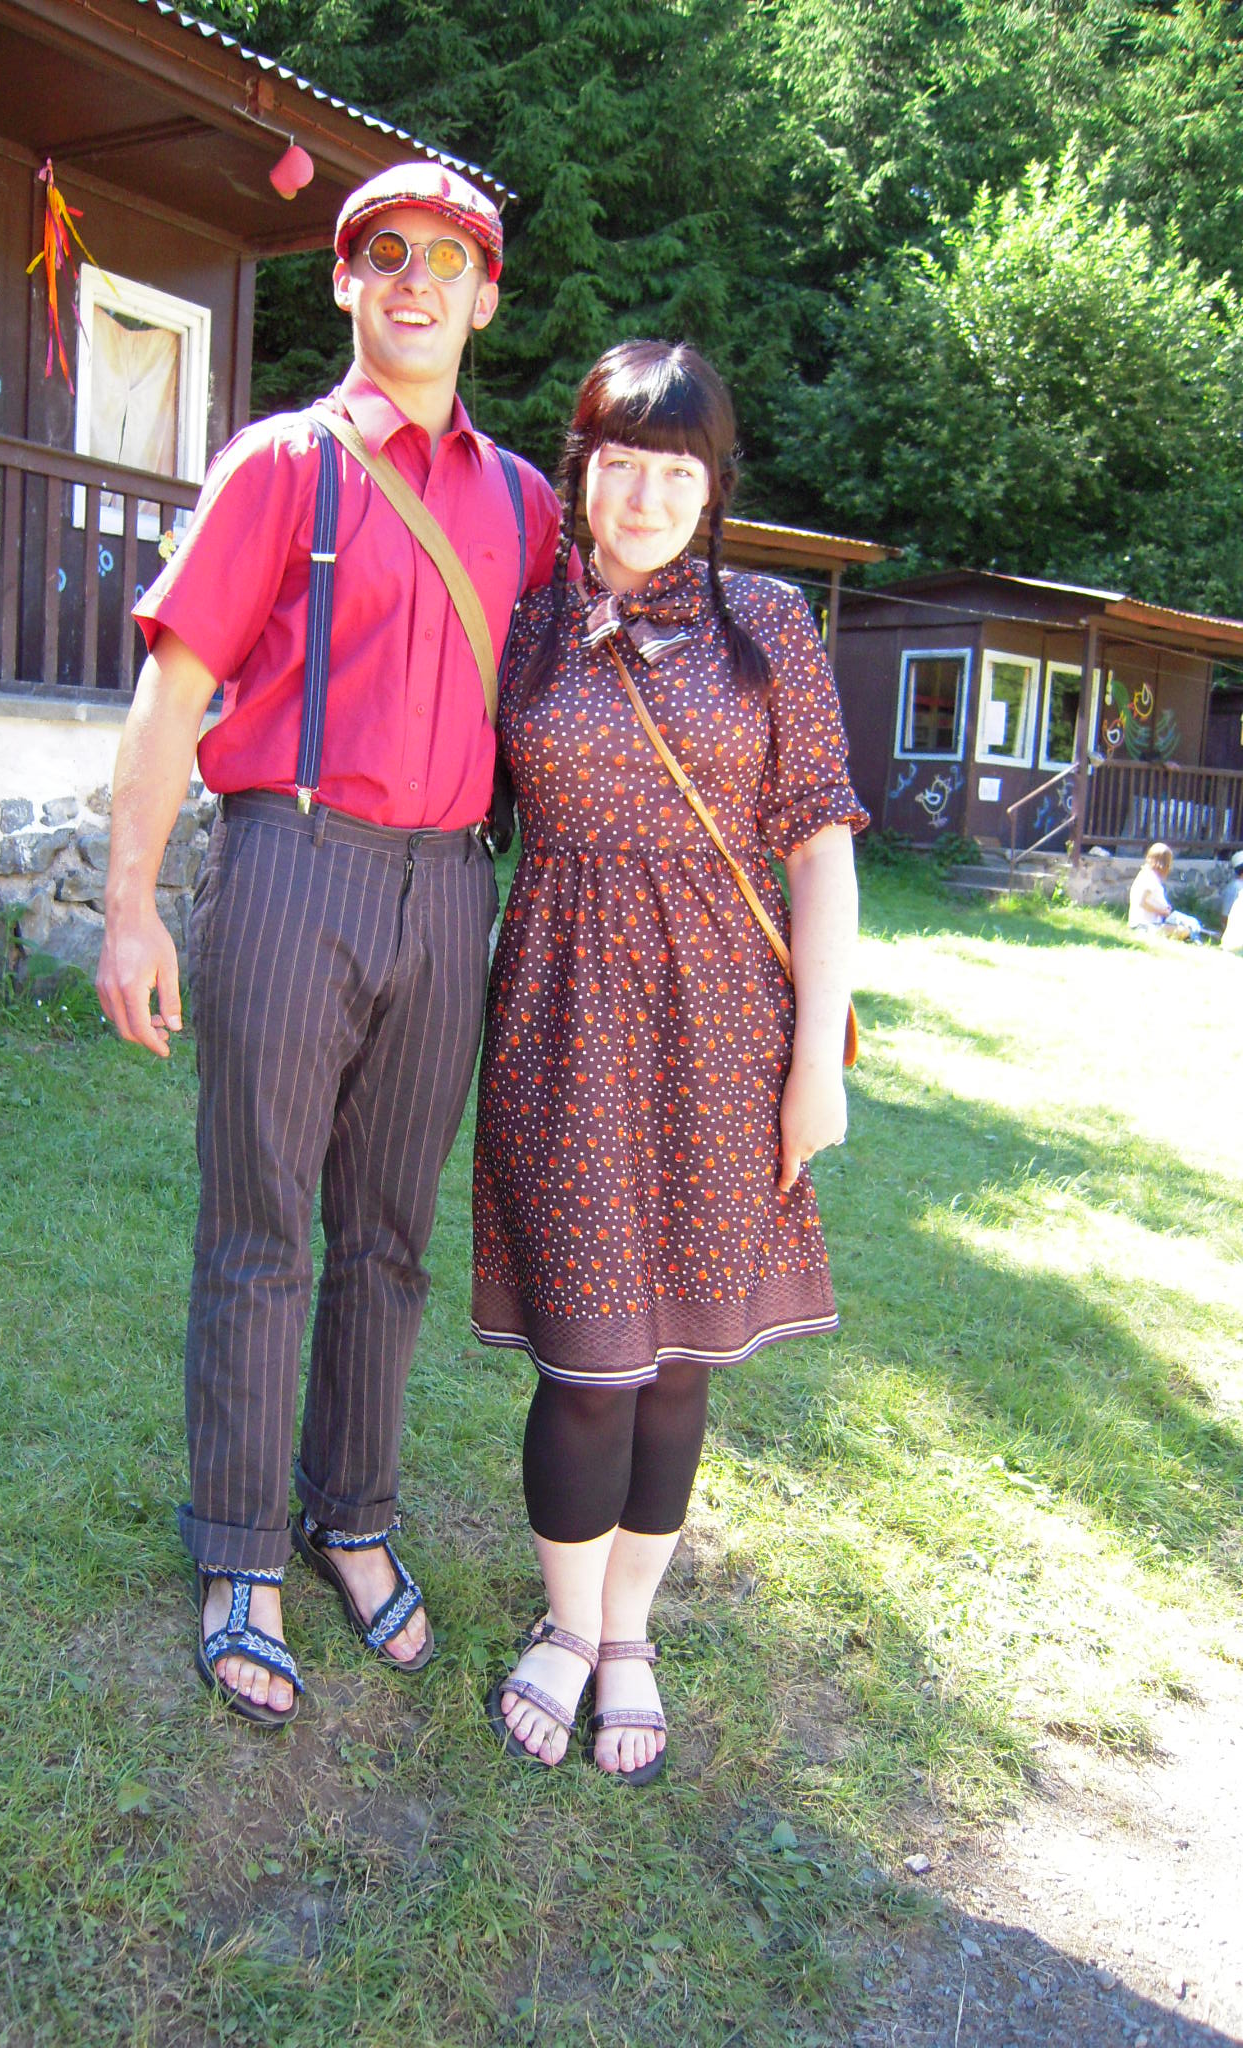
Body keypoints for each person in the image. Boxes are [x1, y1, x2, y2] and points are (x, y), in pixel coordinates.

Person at [97, 162, 561, 1726]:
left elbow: (579, 708)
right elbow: (172, 692)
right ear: (348, 282)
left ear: (486, 296)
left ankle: (349, 1519)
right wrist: (129, 906)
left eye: (449, 258)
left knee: (390, 1237)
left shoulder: (528, 506)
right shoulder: (280, 465)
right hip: (293, 865)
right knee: (261, 1227)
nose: (417, 279)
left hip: (452, 886)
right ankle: (238, 1551)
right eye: (387, 253)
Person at [471, 341, 866, 1782]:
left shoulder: (769, 625)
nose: (645, 496)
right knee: (587, 1361)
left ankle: (630, 1631)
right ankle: (566, 1625)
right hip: (561, 1021)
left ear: (715, 488)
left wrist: (817, 1061)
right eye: (620, 464)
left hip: (725, 1033)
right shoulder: (525, 625)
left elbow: (820, 851)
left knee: (681, 1360)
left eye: (677, 470)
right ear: (580, 472)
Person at [1128, 842, 1200, 939]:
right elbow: (1142, 902)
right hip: (1144, 925)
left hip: (1150, 923)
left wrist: (1165, 908)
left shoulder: (1148, 875)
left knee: (1188, 924)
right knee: (1185, 930)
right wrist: (1162, 911)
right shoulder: (1149, 878)